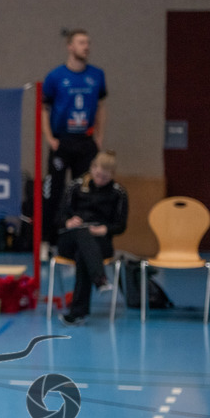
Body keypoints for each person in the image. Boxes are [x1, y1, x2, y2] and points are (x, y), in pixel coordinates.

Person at [42, 29, 108, 245]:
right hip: (62, 141)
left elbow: (100, 107)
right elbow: (44, 108)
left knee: (85, 191)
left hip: (85, 141)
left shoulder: (96, 75)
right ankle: (49, 240)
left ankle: (83, 238)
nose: (86, 46)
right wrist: (50, 138)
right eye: (81, 42)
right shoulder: (55, 76)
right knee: (54, 192)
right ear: (70, 47)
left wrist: (99, 138)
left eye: (88, 43)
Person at [57, 151, 128, 326]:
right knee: (82, 233)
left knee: (84, 255)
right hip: (71, 239)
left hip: (100, 242)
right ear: (92, 169)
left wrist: (104, 229)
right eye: (97, 175)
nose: (100, 179)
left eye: (105, 177)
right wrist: (68, 221)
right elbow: (57, 217)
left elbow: (120, 225)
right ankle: (100, 279)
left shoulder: (118, 193)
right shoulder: (75, 186)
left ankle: (77, 314)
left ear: (112, 175)